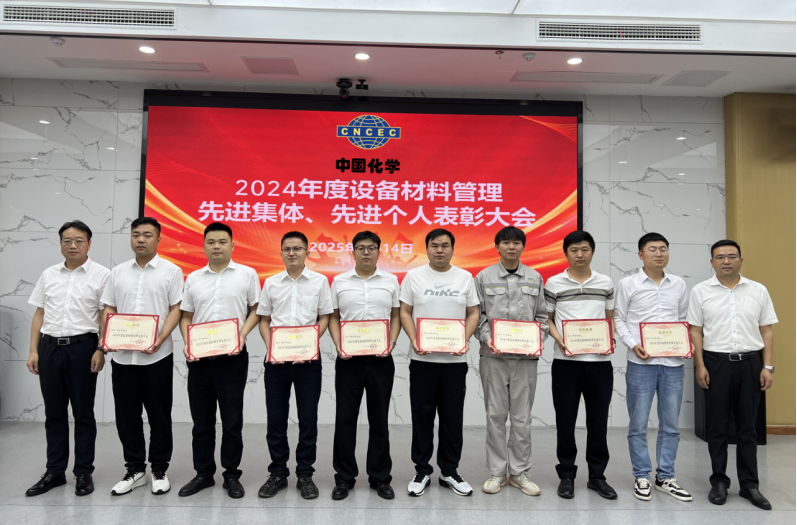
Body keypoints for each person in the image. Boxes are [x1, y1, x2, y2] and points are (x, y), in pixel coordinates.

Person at [689, 240, 777, 511]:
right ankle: (719, 481)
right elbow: (695, 331)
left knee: (748, 427)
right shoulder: (700, 291)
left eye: (731, 256)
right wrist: (700, 365)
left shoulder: (758, 290)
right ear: (712, 262)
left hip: (751, 363)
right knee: (717, 427)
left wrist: (768, 366)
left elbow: (767, 331)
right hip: (716, 363)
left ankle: (750, 484)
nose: (726, 261)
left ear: (741, 260)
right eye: (720, 257)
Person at [25, 220, 110, 497]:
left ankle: (83, 471)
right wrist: (34, 350)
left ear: (89, 244)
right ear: (61, 243)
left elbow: (105, 316)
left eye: (79, 240)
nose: (72, 245)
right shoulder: (49, 274)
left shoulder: (102, 275)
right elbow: (39, 313)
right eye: (67, 240)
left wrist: (101, 349)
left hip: (83, 347)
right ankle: (55, 472)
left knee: (83, 413)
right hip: (50, 348)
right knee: (54, 413)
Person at [99, 217, 183, 496]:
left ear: (158, 239)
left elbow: (176, 308)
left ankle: (159, 469)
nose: (141, 239)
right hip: (123, 357)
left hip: (157, 356)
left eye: (147, 234)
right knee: (126, 415)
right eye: (136, 234)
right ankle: (135, 470)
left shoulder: (171, 271)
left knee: (160, 415)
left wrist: (160, 339)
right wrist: (108, 338)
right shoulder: (118, 272)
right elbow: (109, 307)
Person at [178, 222, 260, 499]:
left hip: (232, 358)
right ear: (204, 245)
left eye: (222, 242)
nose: (216, 246)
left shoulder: (247, 274)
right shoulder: (193, 278)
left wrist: (241, 334)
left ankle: (231, 475)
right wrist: (188, 343)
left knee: (232, 420)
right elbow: (186, 316)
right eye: (211, 242)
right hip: (199, 358)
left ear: (232, 245)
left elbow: (256, 309)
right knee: (201, 421)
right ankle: (203, 473)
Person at [400, 228, 480, 497]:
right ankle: (422, 470)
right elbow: (405, 312)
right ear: (427, 249)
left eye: (445, 245)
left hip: (454, 362)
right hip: (422, 360)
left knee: (452, 418)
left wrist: (464, 340)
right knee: (422, 416)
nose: (440, 250)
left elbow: (473, 312)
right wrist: (414, 340)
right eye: (434, 245)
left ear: (453, 249)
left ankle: (449, 471)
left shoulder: (464, 277)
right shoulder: (414, 276)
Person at [614, 232, 693, 503]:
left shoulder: (679, 284)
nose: (659, 253)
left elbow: (683, 319)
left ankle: (665, 476)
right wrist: (633, 344)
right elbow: (619, 318)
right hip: (641, 363)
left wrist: (684, 344)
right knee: (638, 424)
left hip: (673, 363)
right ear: (640, 254)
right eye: (652, 249)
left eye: (663, 249)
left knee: (671, 425)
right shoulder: (627, 284)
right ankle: (641, 476)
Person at [257, 231, 333, 500]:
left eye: (297, 248)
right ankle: (278, 472)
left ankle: (305, 474)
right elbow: (264, 320)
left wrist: (309, 345)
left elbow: (325, 317)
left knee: (308, 419)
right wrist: (272, 348)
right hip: (276, 361)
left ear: (307, 252)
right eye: (287, 249)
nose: (292, 253)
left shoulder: (320, 281)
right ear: (281, 253)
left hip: (308, 361)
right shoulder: (271, 283)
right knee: (276, 419)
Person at [474, 226, 548, 497]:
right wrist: (487, 339)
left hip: (525, 359)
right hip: (493, 357)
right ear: (497, 247)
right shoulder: (483, 277)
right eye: (506, 242)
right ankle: (497, 472)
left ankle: (519, 472)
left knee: (522, 417)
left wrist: (537, 340)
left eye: (517, 243)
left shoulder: (535, 277)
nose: (511, 247)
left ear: (523, 247)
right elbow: (478, 316)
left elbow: (542, 317)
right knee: (495, 415)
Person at [327, 231, 401, 501]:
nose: (366, 252)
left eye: (371, 248)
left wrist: (392, 342)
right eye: (361, 248)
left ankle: (380, 477)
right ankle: (344, 478)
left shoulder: (391, 281)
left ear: (379, 252)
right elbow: (333, 317)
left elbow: (396, 315)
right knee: (345, 418)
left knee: (379, 418)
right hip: (349, 360)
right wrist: (339, 344)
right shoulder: (339, 281)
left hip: (381, 359)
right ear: (353, 252)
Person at [544, 230, 616, 500]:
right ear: (566, 253)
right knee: (565, 421)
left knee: (598, 422)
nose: (580, 254)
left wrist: (609, 339)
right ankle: (567, 475)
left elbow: (609, 317)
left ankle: (597, 476)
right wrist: (560, 340)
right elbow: (547, 318)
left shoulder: (605, 282)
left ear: (592, 252)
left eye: (585, 249)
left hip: (600, 363)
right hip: (566, 363)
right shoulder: (554, 283)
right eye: (574, 250)